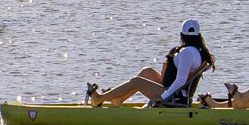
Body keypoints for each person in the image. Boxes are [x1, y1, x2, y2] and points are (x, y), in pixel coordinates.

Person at [87, 20, 217, 107]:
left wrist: (164, 97)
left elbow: (180, 80)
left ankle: (100, 98)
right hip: (174, 92)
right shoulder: (197, 51)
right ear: (198, 36)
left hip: (173, 97)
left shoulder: (187, 53)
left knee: (136, 81)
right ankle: (119, 100)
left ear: (182, 35)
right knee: (146, 72)